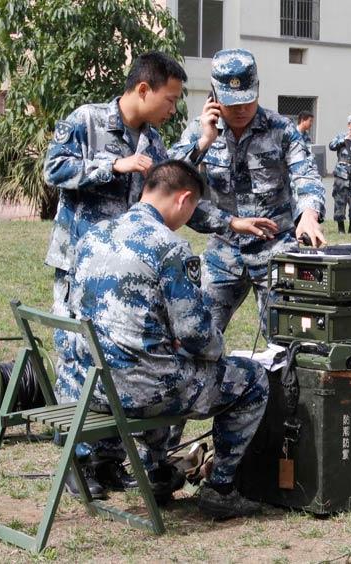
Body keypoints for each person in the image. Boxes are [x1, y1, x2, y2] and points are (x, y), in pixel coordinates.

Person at [63, 160, 268, 517]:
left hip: (88, 387)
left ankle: (157, 472)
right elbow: (195, 334)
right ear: (184, 200)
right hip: (141, 391)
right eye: (191, 211)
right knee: (252, 380)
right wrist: (219, 349)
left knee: (168, 366)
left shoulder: (92, 235)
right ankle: (220, 489)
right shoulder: (170, 247)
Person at [43, 51, 187, 497]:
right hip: (81, 267)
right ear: (143, 89)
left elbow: (170, 190)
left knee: (115, 360)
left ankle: (108, 461)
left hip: (126, 278)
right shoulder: (87, 120)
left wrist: (198, 142)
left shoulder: (153, 141)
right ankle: (78, 460)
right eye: (169, 98)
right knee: (78, 357)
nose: (172, 108)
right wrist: (112, 166)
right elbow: (53, 169)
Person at [170, 48, 326, 333]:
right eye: (231, 103)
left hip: (276, 250)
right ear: (214, 97)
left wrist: (309, 213)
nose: (241, 110)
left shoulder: (282, 129)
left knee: (290, 341)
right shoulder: (199, 132)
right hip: (223, 251)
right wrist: (204, 141)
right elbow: (170, 186)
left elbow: (305, 175)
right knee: (196, 335)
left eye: (248, 101)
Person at [328, 115, 351, 233]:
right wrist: (344, 141)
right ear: (349, 125)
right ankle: (341, 228)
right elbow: (331, 146)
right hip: (341, 175)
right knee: (340, 201)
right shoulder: (342, 137)